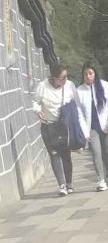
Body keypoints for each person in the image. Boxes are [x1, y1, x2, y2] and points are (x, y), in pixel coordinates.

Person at [31, 63, 82, 196]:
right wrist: (38, 110)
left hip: (63, 125)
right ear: (54, 77)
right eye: (62, 78)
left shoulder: (70, 86)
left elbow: (77, 103)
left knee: (65, 154)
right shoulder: (42, 86)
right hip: (49, 125)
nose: (65, 80)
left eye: (66, 77)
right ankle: (62, 185)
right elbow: (34, 101)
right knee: (54, 154)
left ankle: (69, 183)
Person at [75, 65, 108, 189]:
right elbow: (79, 113)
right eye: (85, 74)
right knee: (96, 153)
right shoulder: (80, 90)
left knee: (106, 152)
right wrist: (84, 132)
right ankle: (101, 180)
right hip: (91, 127)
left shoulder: (104, 86)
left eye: (90, 73)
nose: (88, 76)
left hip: (104, 125)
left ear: (95, 74)